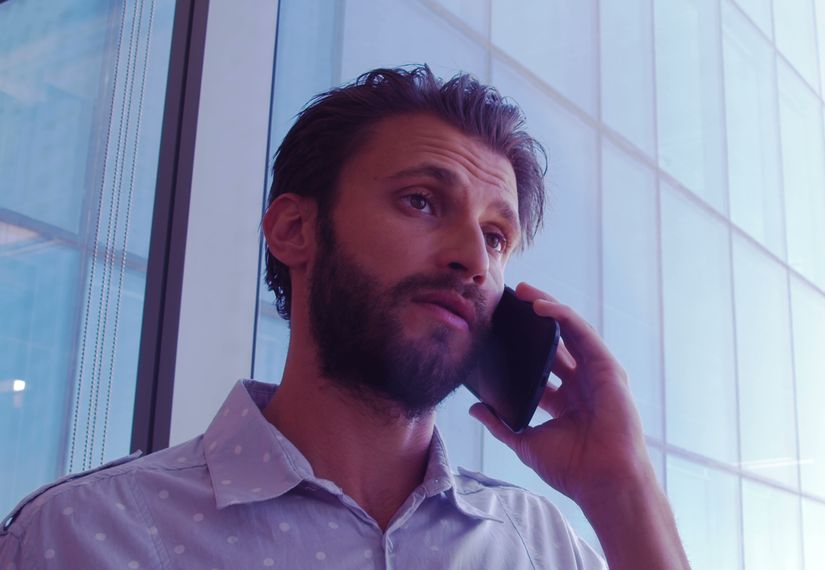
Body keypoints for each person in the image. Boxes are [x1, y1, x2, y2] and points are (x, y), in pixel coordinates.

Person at [0, 65, 689, 569]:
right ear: (294, 229)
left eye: (497, 236)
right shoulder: (79, 537)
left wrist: (621, 487)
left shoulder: (539, 545)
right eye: (421, 201)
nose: (473, 260)